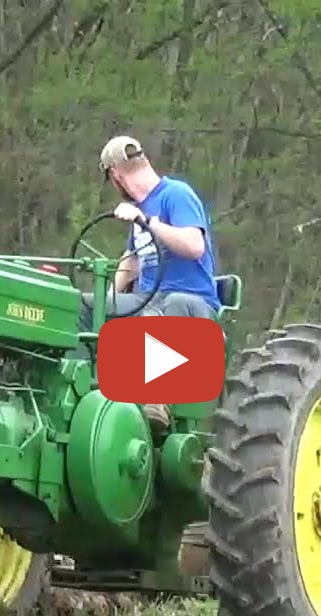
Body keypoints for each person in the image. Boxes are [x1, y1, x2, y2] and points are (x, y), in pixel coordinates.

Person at [88, 135, 222, 433]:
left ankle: (156, 399)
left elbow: (194, 245)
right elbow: (133, 260)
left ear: (116, 177)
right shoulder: (141, 206)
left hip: (192, 306)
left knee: (166, 307)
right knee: (85, 306)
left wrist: (148, 221)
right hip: (149, 301)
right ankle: (84, 389)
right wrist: (106, 297)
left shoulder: (175, 194)